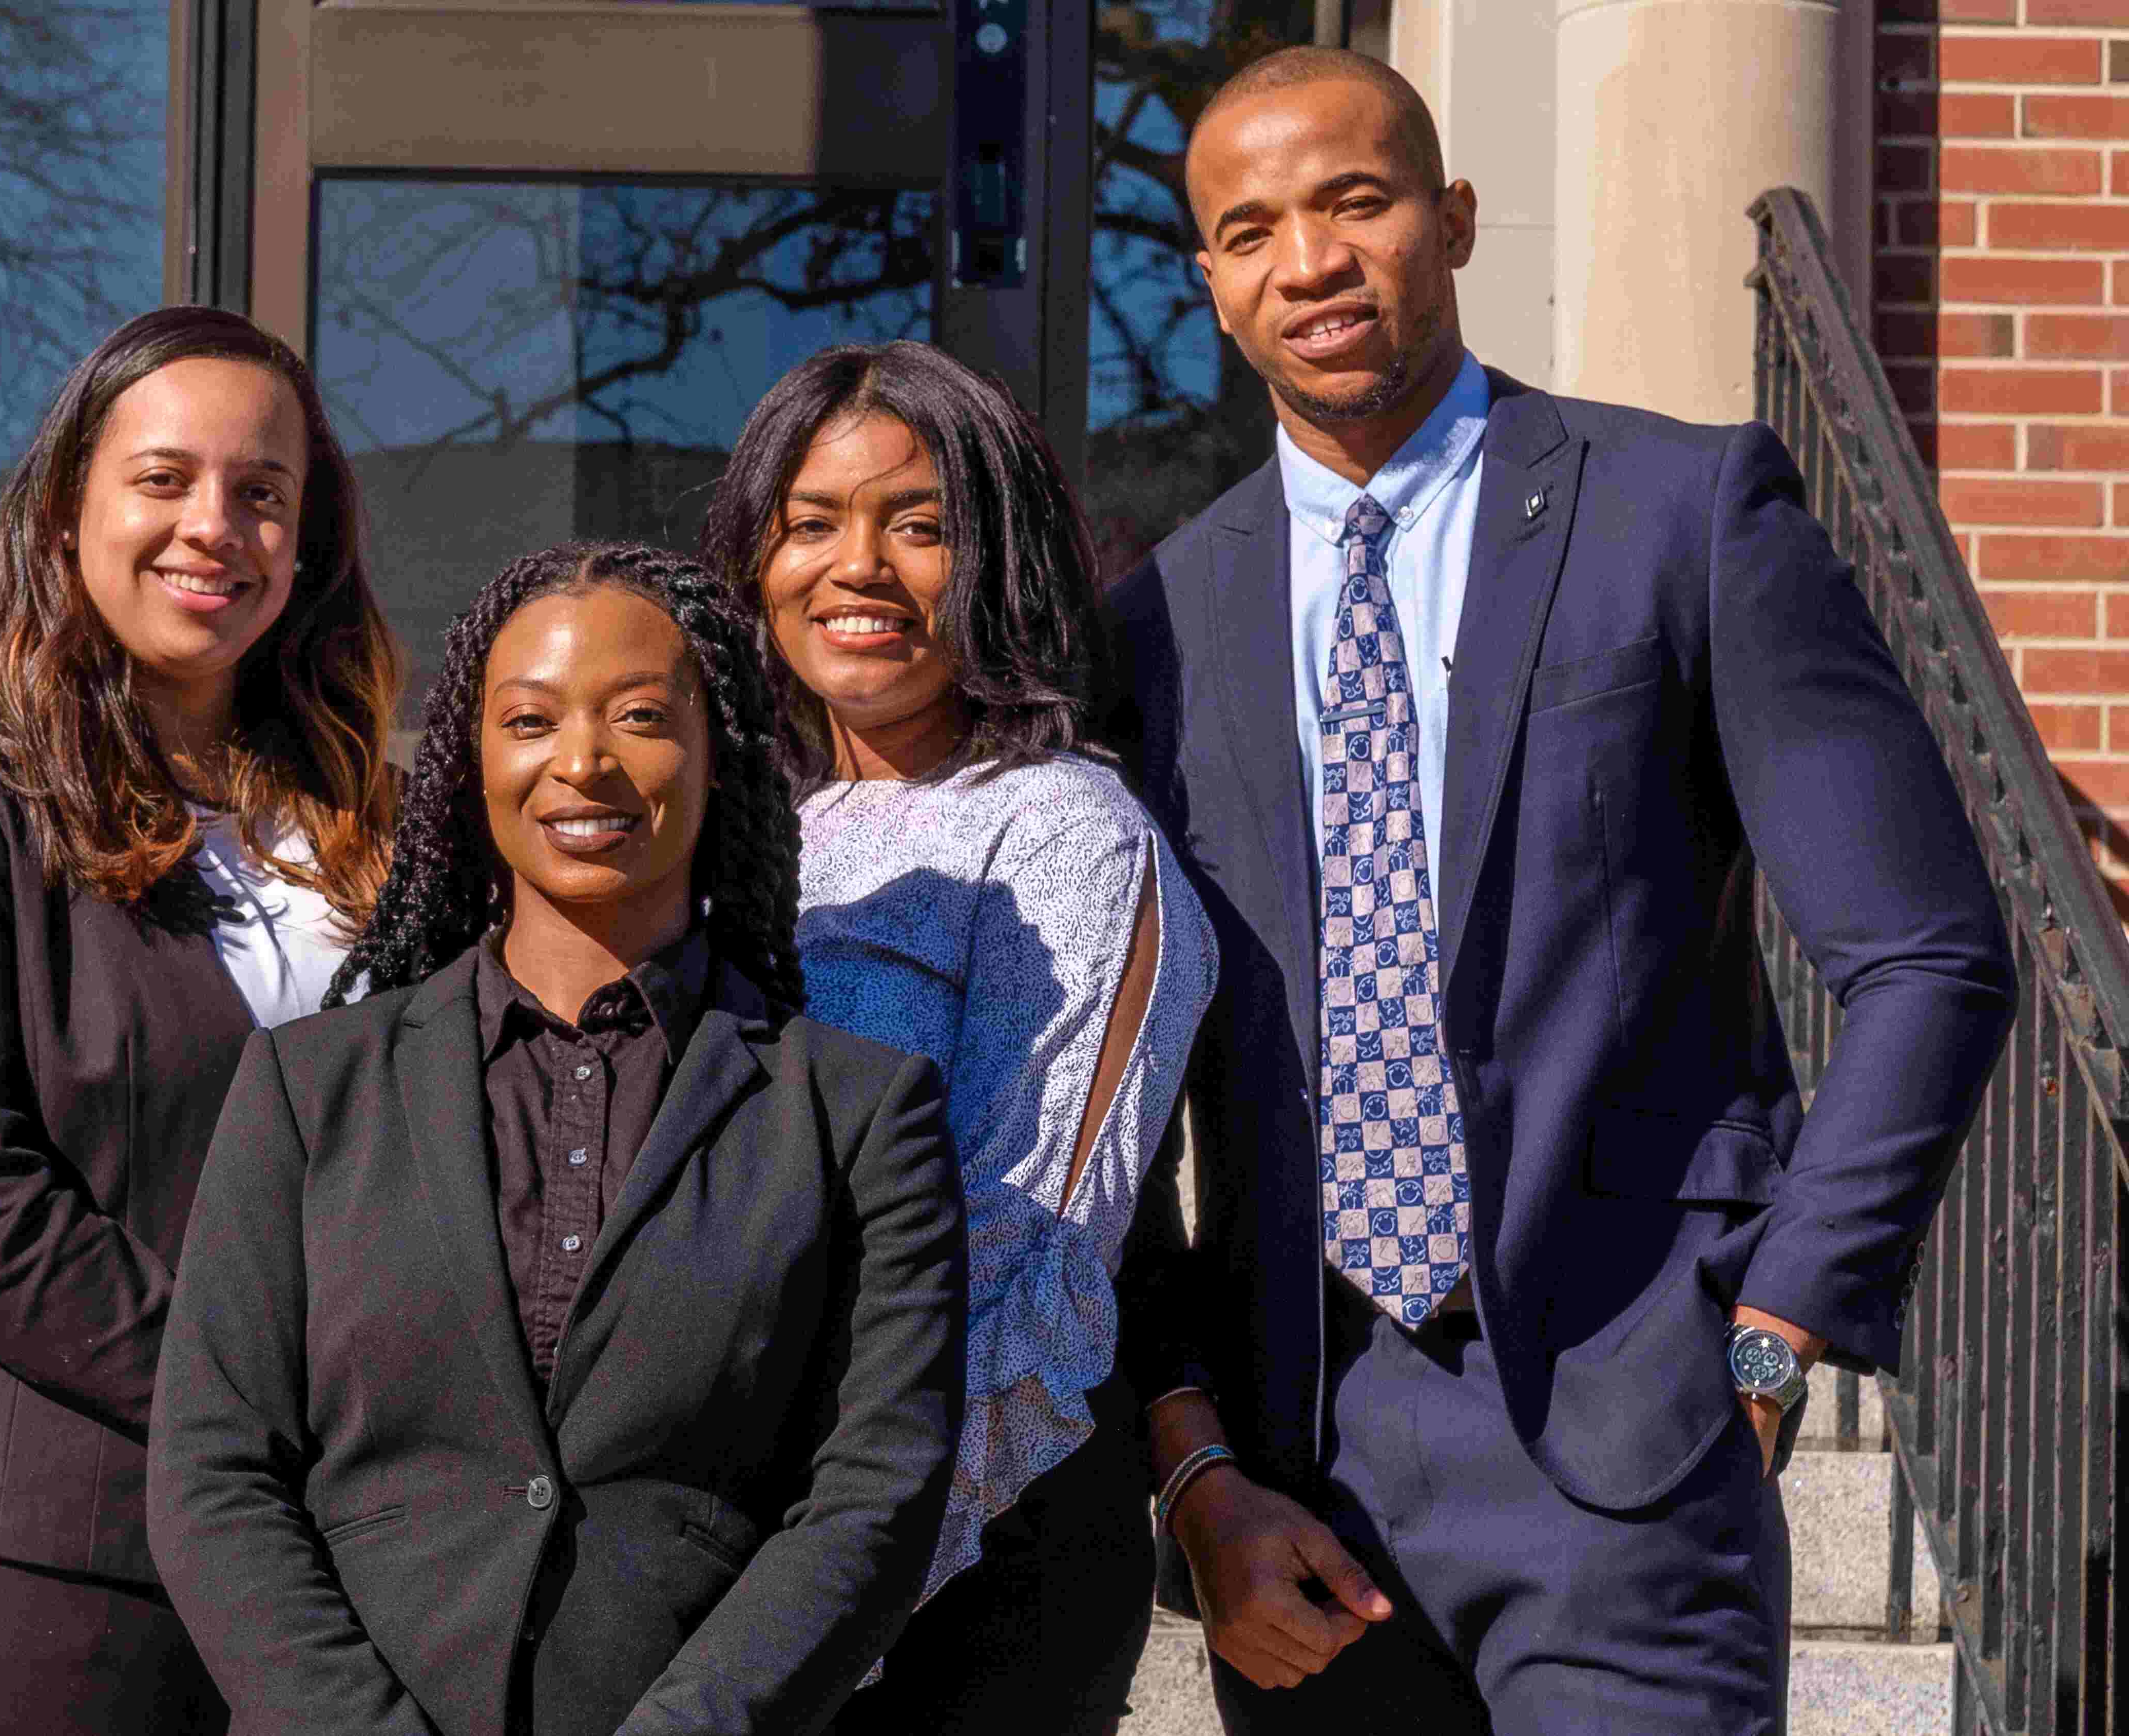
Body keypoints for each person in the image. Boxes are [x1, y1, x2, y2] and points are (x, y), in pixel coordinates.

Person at [1106, 47, 2016, 1733]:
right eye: (1251, 229)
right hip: (1304, 1487)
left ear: (1451, 220)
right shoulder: (1158, 623)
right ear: (1213, 283)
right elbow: (1119, 1100)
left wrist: (1770, 1339)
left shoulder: (1686, 513)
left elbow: (1930, 959)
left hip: (1631, 1436)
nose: (1309, 259)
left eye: (1357, 203)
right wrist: (1197, 1474)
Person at [148, 542, 966, 1736]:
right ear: (472, 761)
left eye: (640, 715)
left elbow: (871, 1494)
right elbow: (215, 1471)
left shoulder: (859, 1111)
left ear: (721, 748)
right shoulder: (308, 1086)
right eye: (529, 718)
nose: (581, 760)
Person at [0, 304, 400, 1735]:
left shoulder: (379, 821)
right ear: (68, 516)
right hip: (26, 1553)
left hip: (322, 1562)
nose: (216, 525)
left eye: (263, 493)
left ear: (307, 542)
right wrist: (254, 1399)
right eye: (165, 479)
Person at [700, 341, 1216, 1734]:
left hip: (965, 1567)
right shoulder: (736, 826)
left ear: (999, 559)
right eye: (811, 522)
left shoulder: (1062, 832)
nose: (856, 565)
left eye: (918, 525)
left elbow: (1022, 1250)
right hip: (751, 1564)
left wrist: (841, 1607)